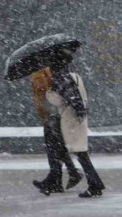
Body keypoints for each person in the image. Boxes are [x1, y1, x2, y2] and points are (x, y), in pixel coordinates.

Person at [46, 50, 106, 198]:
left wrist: (49, 92)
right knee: (79, 152)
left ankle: (94, 185)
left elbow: (58, 101)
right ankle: (91, 183)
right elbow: (79, 97)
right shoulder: (75, 77)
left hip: (70, 120)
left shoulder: (62, 80)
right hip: (78, 119)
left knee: (81, 154)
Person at [30, 68, 83, 195]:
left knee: (52, 148)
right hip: (54, 113)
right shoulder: (47, 70)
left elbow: (43, 90)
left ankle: (58, 179)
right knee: (57, 147)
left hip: (51, 114)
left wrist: (37, 84)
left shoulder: (39, 73)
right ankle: (67, 175)